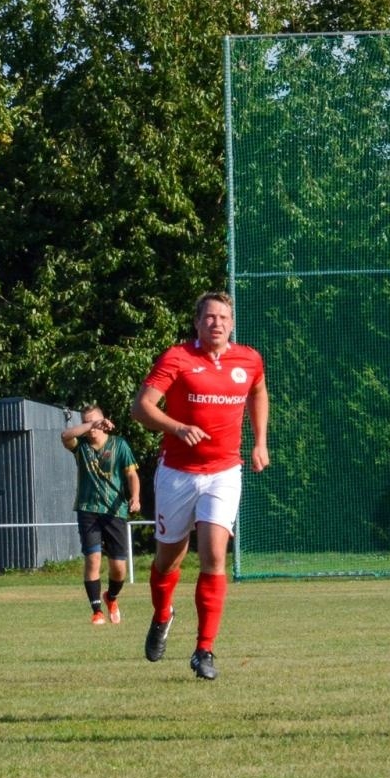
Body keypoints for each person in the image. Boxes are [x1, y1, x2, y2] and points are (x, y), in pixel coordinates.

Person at [131, 291, 268, 681]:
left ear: (232, 323)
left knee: (214, 554)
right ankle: (163, 613)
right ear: (197, 322)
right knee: (167, 561)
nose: (217, 323)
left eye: (223, 317)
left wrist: (260, 441)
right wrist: (177, 427)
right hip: (178, 473)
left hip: (224, 472)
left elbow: (258, 391)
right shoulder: (177, 358)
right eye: (209, 317)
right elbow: (141, 407)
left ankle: (204, 650)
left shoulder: (249, 359)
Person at [60, 405, 141, 625]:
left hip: (115, 511)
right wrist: (90, 425)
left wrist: (135, 497)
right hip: (88, 508)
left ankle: (111, 597)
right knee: (93, 559)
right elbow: (65, 436)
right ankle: (97, 611)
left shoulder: (119, 444)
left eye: (94, 421)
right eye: (86, 422)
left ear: (105, 421)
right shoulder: (81, 446)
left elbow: (132, 474)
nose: (91, 426)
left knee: (119, 567)